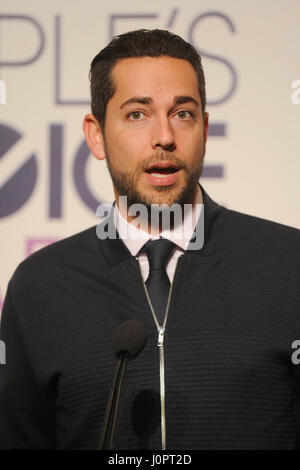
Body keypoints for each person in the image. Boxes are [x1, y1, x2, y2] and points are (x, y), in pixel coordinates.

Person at [0, 28, 300, 450]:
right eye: (137, 114)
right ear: (96, 134)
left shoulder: (289, 265)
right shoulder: (39, 286)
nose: (164, 137)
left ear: (205, 129)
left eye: (183, 114)